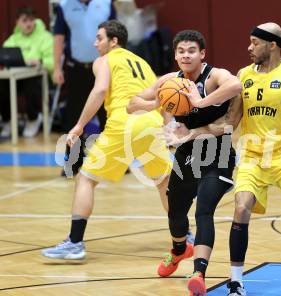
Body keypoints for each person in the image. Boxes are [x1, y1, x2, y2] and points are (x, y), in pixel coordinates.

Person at [166, 23, 281, 296]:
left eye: (254, 42)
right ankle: (236, 282)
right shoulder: (244, 76)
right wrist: (191, 133)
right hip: (253, 156)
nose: (249, 48)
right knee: (241, 208)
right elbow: (230, 121)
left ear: (272, 45)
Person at [41, 20, 172, 260]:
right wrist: (167, 127)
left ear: (114, 41)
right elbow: (161, 95)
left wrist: (79, 126)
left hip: (124, 123)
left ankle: (75, 243)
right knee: (164, 182)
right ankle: (185, 237)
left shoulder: (103, 60)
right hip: (151, 124)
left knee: (86, 178)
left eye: (99, 38)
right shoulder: (143, 62)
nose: (95, 43)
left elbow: (100, 90)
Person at [128, 29, 242, 295]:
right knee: (175, 211)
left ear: (202, 54)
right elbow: (130, 104)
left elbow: (235, 85)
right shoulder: (170, 81)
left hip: (218, 153)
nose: (186, 55)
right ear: (176, 56)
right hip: (187, 153)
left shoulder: (214, 77)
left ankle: (199, 273)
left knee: (204, 210)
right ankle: (180, 250)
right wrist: (154, 103)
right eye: (181, 51)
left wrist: (199, 101)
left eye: (192, 50)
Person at [53, 0, 116, 175]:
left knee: (109, 115)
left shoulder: (106, 4)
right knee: (74, 116)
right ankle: (73, 162)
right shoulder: (64, 6)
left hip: (104, 67)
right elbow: (59, 37)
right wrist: (57, 67)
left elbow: (117, 37)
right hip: (75, 69)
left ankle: (113, 161)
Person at [0, 7, 53, 138]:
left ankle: (33, 119)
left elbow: (52, 61)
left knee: (31, 83)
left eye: (31, 20)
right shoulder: (13, 38)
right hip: (16, 78)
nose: (28, 24)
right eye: (24, 21)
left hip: (38, 77)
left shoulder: (45, 37)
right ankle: (7, 120)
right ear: (17, 22)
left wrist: (40, 61)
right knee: (1, 84)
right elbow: (5, 55)